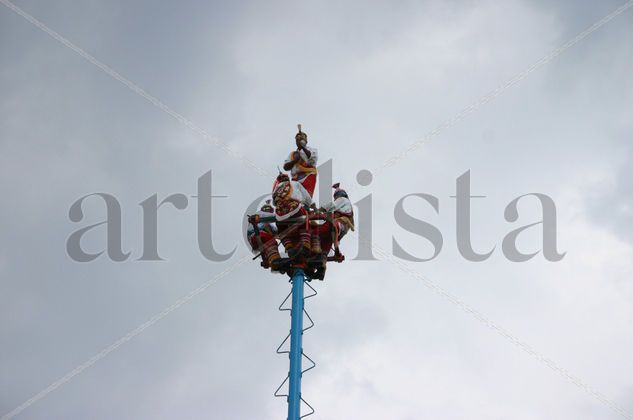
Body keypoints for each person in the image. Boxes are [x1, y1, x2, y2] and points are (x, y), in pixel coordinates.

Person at [272, 172, 314, 258]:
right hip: (295, 208)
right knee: (305, 221)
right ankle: (305, 245)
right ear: (287, 178)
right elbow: (308, 199)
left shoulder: (275, 190)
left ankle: (289, 247)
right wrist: (310, 205)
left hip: (281, 213)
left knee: (281, 229)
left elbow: (274, 203)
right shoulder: (295, 183)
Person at [283, 124, 318, 197]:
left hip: (308, 176)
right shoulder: (292, 154)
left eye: (301, 139)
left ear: (306, 140)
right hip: (295, 178)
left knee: (306, 197)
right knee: (294, 197)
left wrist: (302, 147)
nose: (298, 140)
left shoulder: (312, 150)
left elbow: (312, 160)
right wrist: (294, 161)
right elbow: (285, 167)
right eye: (297, 139)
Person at [321, 183, 354, 257]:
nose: (336, 198)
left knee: (321, 229)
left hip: (340, 223)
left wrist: (320, 209)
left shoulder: (343, 199)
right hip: (343, 229)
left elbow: (332, 205)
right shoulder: (348, 206)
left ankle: (334, 246)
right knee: (328, 239)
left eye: (336, 196)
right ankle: (324, 255)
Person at [247, 200, 281, 270]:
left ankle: (268, 260)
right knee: (271, 241)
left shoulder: (267, 223)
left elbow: (276, 231)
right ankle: (274, 259)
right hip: (256, 234)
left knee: (271, 244)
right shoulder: (261, 214)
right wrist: (282, 216)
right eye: (269, 211)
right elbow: (273, 217)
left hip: (258, 239)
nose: (269, 212)